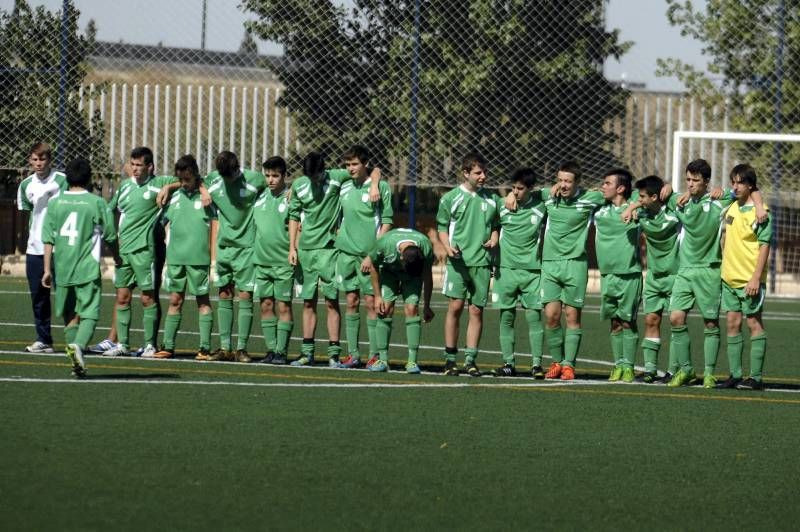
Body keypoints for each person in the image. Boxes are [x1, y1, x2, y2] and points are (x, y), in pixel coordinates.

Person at [667, 158, 766, 388]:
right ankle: (687, 370)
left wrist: (759, 205)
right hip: (685, 270)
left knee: (711, 323)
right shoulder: (679, 201)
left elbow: (749, 191)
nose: (690, 184)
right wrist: (668, 187)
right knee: (675, 318)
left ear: (706, 182)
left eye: (695, 180)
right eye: (687, 180)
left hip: (710, 271)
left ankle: (710, 373)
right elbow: (653, 196)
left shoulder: (721, 201)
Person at [287, 151, 380, 367]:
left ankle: (333, 354)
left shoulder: (338, 177)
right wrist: (293, 247)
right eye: (310, 178)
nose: (314, 181)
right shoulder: (301, 184)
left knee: (331, 302)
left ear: (324, 170)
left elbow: (373, 169)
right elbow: (293, 216)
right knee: (308, 302)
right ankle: (306, 353)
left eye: (317, 176)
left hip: (329, 251)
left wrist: (375, 184)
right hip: (306, 251)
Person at [102, 147, 184, 357]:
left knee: (147, 298)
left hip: (145, 251)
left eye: (140, 165)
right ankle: (122, 345)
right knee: (122, 297)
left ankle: (149, 344)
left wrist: (169, 187)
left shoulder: (158, 183)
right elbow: (109, 209)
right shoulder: (125, 186)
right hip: (124, 251)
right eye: (133, 164)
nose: (135, 169)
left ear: (150, 167)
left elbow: (189, 179)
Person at [41, 157, 117, 377]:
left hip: (62, 269)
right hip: (86, 268)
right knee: (90, 314)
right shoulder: (97, 202)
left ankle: (76, 362)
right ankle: (79, 347)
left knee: (70, 317)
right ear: (89, 178)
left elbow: (48, 238)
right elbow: (110, 235)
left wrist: (47, 269)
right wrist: (118, 258)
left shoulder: (55, 202)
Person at [536, 161, 604, 381]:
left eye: (568, 181)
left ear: (578, 183)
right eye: (560, 180)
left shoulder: (590, 199)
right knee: (551, 316)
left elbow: (620, 194)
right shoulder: (547, 196)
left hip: (576, 264)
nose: (563, 185)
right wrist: (510, 196)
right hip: (550, 263)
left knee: (572, 315)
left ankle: (568, 365)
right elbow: (523, 194)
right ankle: (556, 362)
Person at [436, 152, 499, 377]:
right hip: (458, 262)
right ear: (465, 173)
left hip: (481, 262)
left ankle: (470, 360)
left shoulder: (492, 199)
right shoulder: (450, 198)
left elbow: (496, 224)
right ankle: (450, 360)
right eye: (477, 172)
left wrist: (494, 236)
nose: (483, 176)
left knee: (476, 311)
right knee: (455, 307)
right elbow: (441, 227)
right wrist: (446, 247)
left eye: (484, 172)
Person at [204, 151, 267, 363]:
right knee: (224, 293)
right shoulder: (214, 178)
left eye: (230, 176)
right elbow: (192, 179)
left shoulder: (255, 180)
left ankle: (241, 348)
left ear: (237, 169)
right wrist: (203, 191)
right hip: (224, 247)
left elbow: (278, 186)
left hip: (246, 248)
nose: (227, 180)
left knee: (246, 295)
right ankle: (225, 348)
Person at [153, 155, 217, 360]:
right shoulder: (175, 196)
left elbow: (217, 221)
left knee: (203, 301)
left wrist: (203, 188)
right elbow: (160, 223)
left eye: (187, 180)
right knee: (174, 300)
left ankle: (205, 347)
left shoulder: (206, 197)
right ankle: (168, 346)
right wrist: (170, 188)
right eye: (180, 180)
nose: (183, 184)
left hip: (198, 260)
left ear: (196, 175)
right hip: (175, 259)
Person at [336, 146, 393, 368]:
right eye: (347, 165)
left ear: (365, 163)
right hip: (346, 254)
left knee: (371, 303)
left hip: (369, 256)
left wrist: (373, 254)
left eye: (355, 164)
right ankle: (353, 354)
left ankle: (374, 354)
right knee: (350, 301)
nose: (350, 168)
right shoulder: (344, 187)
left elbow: (387, 222)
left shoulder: (381, 188)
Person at [718, 164, 771, 390]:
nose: (735, 186)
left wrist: (755, 279)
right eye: (733, 182)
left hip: (749, 280)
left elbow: (764, 246)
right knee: (732, 323)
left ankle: (756, 377)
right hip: (728, 278)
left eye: (740, 182)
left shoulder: (762, 213)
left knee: (753, 323)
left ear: (750, 185)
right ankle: (735, 375)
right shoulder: (731, 205)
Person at [490, 168, 546, 378]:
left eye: (520, 188)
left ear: (531, 188)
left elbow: (552, 192)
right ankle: (508, 363)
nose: (516, 191)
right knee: (506, 316)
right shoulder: (502, 205)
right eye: (513, 188)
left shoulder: (541, 206)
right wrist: (509, 195)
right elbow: (493, 223)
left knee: (534, 317)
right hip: (505, 270)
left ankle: (536, 365)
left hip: (532, 271)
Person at [628, 175, 682, 383]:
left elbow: (680, 197)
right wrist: (631, 207)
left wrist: (669, 187)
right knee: (651, 319)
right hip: (653, 276)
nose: (639, 200)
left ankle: (673, 370)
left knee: (676, 323)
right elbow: (633, 195)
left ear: (654, 196)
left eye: (643, 197)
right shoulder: (642, 211)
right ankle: (650, 369)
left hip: (675, 276)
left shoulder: (674, 211)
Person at [17, 142, 67, 353]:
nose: (38, 163)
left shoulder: (63, 180)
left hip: (62, 248)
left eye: (43, 159)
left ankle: (75, 339)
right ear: (30, 160)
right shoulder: (25, 185)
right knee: (38, 297)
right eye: (35, 159)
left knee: (66, 295)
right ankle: (44, 339)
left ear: (50, 160)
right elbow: (26, 214)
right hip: (35, 249)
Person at [594, 169, 642, 383]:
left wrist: (633, 205)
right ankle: (618, 365)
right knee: (614, 321)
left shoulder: (635, 209)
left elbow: (657, 194)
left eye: (607, 183)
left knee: (628, 321)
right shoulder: (599, 209)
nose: (602, 187)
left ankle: (629, 366)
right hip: (608, 275)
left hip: (630, 274)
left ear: (621, 188)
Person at [367, 228, 435, 373]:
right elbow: (373, 267)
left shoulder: (426, 246)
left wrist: (427, 305)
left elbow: (427, 276)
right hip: (389, 272)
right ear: (401, 258)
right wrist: (378, 296)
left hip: (412, 277)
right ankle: (383, 359)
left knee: (412, 309)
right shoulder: (384, 244)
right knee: (385, 308)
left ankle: (412, 361)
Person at [253, 156, 294, 365]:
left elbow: (299, 227)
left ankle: (281, 351)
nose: (270, 180)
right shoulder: (259, 197)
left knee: (284, 306)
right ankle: (271, 349)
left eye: (275, 176)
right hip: (261, 262)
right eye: (267, 175)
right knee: (266, 305)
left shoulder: (291, 197)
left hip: (283, 263)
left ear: (284, 176)